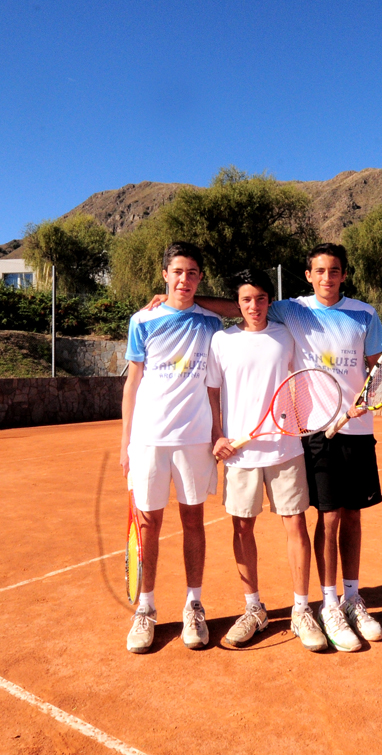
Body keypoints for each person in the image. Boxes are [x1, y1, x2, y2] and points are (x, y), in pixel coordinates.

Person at [180, 243, 382, 652]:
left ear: (343, 274)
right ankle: (288, 606)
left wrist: (368, 396)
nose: (327, 277)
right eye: (319, 271)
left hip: (329, 435)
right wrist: (182, 296)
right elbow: (234, 309)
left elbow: (378, 363)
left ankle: (333, 602)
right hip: (285, 440)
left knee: (339, 518)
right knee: (300, 520)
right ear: (308, 275)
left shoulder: (341, 316)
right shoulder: (278, 316)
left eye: (334, 271)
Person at [205, 269, 328, 652]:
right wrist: (218, 436)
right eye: (246, 300)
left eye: (260, 299)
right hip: (240, 454)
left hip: (286, 449)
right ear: (236, 305)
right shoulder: (221, 341)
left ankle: (301, 609)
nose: (254, 306)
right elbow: (211, 393)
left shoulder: (286, 335)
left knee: (295, 525)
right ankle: (253, 608)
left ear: (268, 301)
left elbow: (309, 379)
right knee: (242, 528)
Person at [121, 242, 224, 654]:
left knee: (194, 522)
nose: (185, 279)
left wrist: (194, 297)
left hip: (195, 439)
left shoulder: (210, 323)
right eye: (178, 272)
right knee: (148, 524)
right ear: (164, 274)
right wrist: (125, 443)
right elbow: (132, 383)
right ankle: (145, 610)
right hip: (148, 438)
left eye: (193, 273)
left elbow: (241, 307)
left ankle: (193, 605)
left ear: (200, 279)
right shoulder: (141, 320)